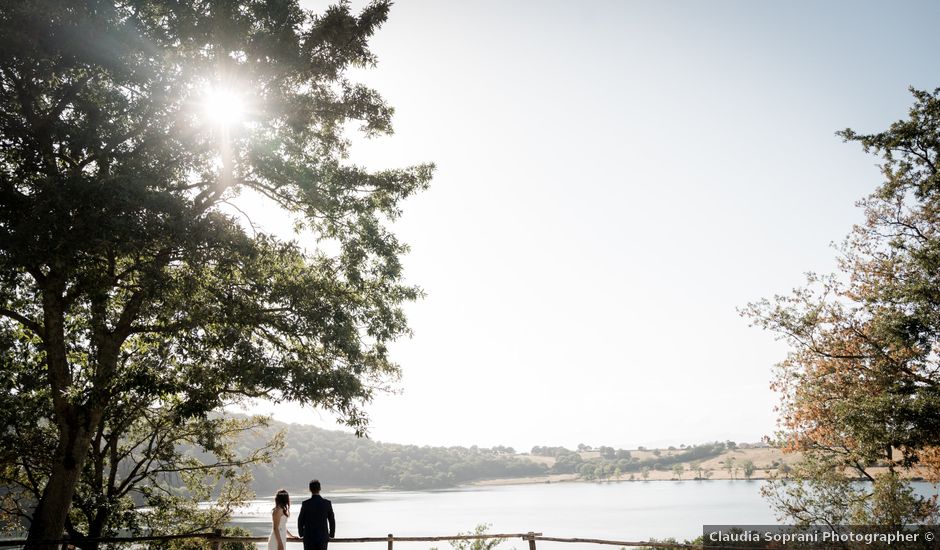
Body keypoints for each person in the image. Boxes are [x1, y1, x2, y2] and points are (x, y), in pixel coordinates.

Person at [297, 479, 335, 550]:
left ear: (310, 489)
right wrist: (332, 534)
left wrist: (301, 534)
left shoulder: (306, 504)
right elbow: (331, 520)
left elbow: (300, 520)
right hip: (323, 537)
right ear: (320, 489)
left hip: (308, 537)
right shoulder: (327, 503)